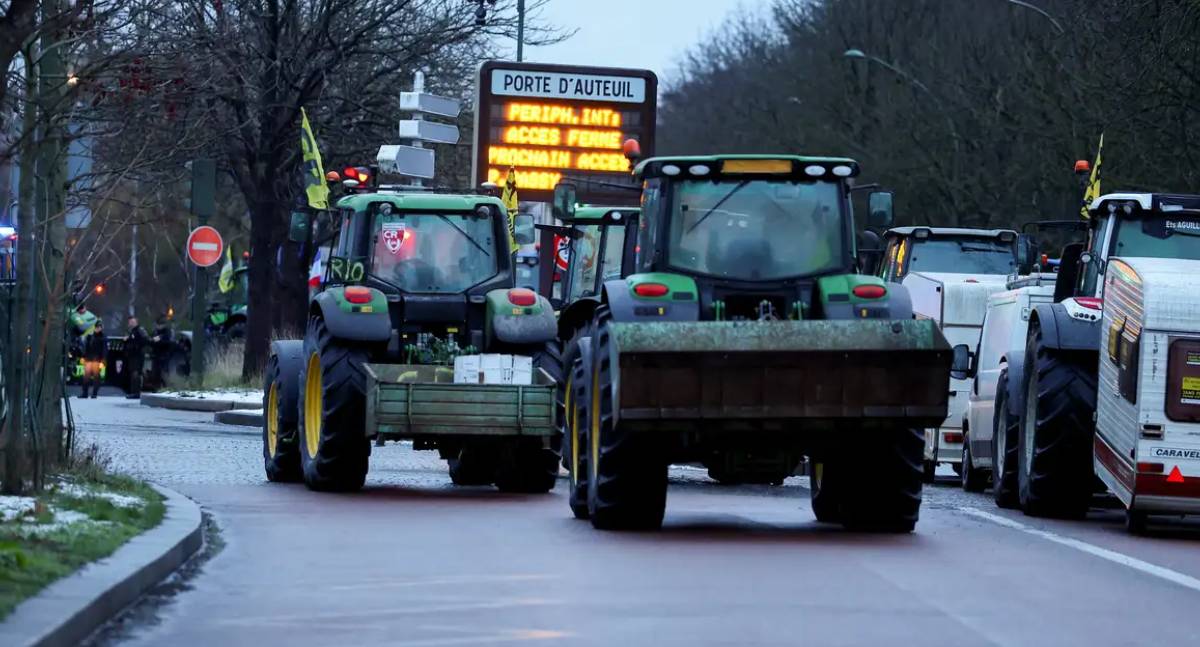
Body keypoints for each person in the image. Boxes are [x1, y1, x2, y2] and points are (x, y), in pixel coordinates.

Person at [125, 316, 150, 399]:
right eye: (130, 322)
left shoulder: (139, 330)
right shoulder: (131, 331)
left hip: (137, 355)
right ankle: (133, 392)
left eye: (133, 322)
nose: (131, 323)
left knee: (136, 373)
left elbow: (146, 340)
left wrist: (137, 346)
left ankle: (136, 393)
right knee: (133, 373)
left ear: (136, 322)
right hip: (132, 355)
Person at [82, 320, 106, 399]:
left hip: (96, 359)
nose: (98, 329)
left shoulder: (102, 337)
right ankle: (85, 393)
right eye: (97, 327)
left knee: (96, 376)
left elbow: (104, 349)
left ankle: (94, 393)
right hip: (90, 358)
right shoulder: (90, 336)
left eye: (99, 327)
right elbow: (86, 347)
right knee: (87, 376)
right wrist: (84, 356)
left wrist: (103, 360)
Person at [150, 315, 175, 387]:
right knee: (155, 373)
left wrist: (157, 340)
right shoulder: (156, 332)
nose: (158, 326)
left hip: (164, 354)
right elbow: (151, 341)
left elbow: (166, 341)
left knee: (164, 372)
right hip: (156, 355)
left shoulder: (167, 332)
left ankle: (165, 386)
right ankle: (156, 386)